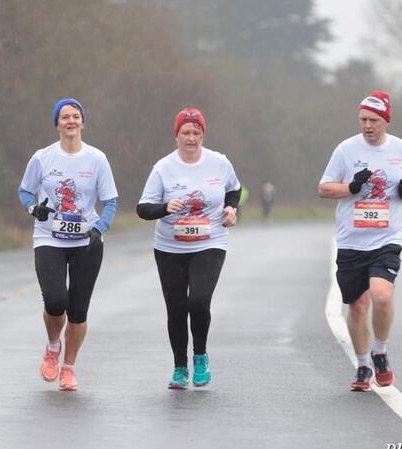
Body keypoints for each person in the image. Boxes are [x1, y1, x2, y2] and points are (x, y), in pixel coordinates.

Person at [318, 91, 402, 392]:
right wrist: (351, 187)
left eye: (374, 120)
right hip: (351, 240)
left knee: (382, 295)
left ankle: (380, 352)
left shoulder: (401, 149)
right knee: (357, 306)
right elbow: (324, 188)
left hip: (387, 238)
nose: (367, 126)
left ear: (386, 120)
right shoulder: (346, 150)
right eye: (363, 119)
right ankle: (363, 365)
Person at [18, 98, 118, 391]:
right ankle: (53, 346)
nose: (71, 121)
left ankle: (69, 368)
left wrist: (100, 228)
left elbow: (110, 201)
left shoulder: (97, 159)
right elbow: (25, 192)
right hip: (49, 237)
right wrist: (34, 208)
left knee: (78, 310)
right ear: (57, 124)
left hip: (87, 240)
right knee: (55, 300)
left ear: (82, 122)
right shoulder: (42, 158)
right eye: (65, 117)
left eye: (76, 116)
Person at [137, 107, 241, 389]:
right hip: (169, 246)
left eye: (196, 132)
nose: (191, 138)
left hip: (210, 241)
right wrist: (164, 207)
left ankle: (200, 356)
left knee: (198, 301)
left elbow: (234, 189)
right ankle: (180, 367)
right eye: (186, 132)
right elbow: (143, 209)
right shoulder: (163, 168)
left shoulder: (219, 163)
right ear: (177, 135)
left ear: (203, 135)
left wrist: (231, 208)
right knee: (176, 308)